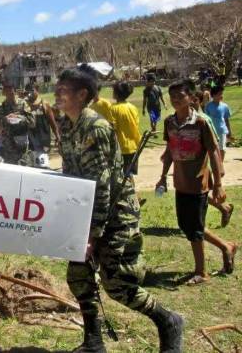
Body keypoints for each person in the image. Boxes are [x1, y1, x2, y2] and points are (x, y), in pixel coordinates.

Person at [55, 69, 183, 352]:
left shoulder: (96, 128)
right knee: (78, 275)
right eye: (58, 87)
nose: (57, 92)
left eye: (64, 88)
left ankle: (168, 320)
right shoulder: (67, 126)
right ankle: (93, 341)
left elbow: (102, 185)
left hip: (115, 215)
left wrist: (92, 234)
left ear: (82, 95)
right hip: (87, 214)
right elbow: (71, 176)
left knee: (117, 284)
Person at [156, 79, 237, 285]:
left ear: (192, 98)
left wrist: (218, 184)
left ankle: (201, 271)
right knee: (187, 226)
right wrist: (163, 177)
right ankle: (226, 246)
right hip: (180, 183)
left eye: (180, 96)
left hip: (198, 183)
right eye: (172, 96)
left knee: (195, 228)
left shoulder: (201, 122)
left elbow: (214, 151)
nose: (175, 100)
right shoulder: (169, 122)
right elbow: (169, 152)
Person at [192, 90, 234, 228]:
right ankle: (223, 209)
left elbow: (214, 147)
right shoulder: (190, 118)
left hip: (204, 164)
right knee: (196, 192)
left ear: (199, 101)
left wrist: (219, 168)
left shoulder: (204, 119)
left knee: (197, 192)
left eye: (194, 100)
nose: (190, 104)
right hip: (194, 163)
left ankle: (222, 210)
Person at [110, 82, 141, 177]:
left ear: (116, 93)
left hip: (120, 148)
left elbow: (111, 129)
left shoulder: (113, 109)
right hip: (134, 146)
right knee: (129, 175)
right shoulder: (133, 107)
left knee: (119, 176)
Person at [25, 83, 60, 168]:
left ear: (37, 90)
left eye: (32, 90)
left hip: (43, 140)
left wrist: (57, 136)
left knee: (42, 163)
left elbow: (52, 122)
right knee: (32, 164)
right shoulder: (25, 105)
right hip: (31, 141)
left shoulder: (44, 104)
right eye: (28, 91)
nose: (30, 93)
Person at [205, 85, 234, 160]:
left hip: (222, 131)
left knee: (222, 148)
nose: (221, 96)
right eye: (219, 94)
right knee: (212, 149)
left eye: (222, 93)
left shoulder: (225, 106)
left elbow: (226, 119)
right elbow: (206, 120)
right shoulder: (208, 106)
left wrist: (229, 132)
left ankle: (220, 165)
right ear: (213, 95)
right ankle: (213, 165)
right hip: (211, 131)